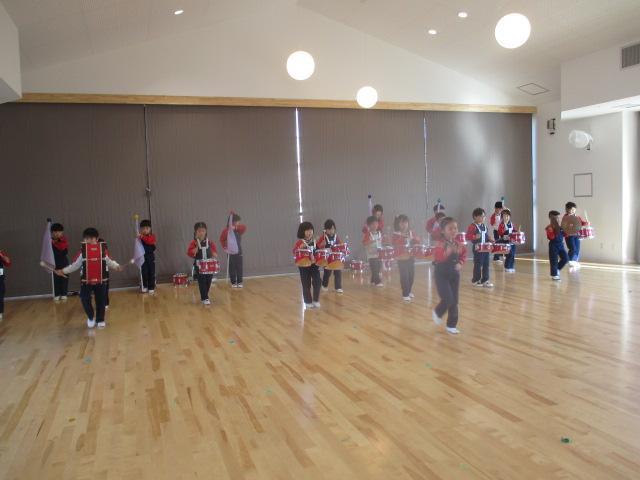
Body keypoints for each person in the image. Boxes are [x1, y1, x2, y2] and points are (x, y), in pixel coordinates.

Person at [55, 228, 123, 329]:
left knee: (101, 301)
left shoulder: (102, 250)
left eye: (91, 238)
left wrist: (117, 266)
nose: (89, 241)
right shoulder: (83, 252)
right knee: (84, 299)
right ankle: (91, 317)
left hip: (101, 281)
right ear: (84, 239)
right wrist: (63, 271)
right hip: (86, 281)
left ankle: (100, 320)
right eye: (87, 239)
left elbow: (109, 261)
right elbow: (75, 265)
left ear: (97, 239)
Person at [432, 217, 467, 334]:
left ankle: (451, 325)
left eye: (455, 228)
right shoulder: (440, 244)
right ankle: (438, 312)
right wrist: (447, 252)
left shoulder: (458, 244)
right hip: (441, 273)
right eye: (450, 228)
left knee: (455, 300)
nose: (453, 230)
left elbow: (463, 254)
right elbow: (438, 257)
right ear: (443, 231)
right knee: (448, 298)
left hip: (454, 274)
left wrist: (460, 263)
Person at [187, 222, 218, 305]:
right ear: (195, 232)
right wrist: (197, 247)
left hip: (209, 266)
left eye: (203, 231)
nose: (201, 233)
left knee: (208, 281)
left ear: (206, 232)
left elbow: (215, 254)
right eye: (199, 231)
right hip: (199, 266)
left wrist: (213, 252)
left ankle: (205, 295)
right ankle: (205, 298)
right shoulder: (194, 243)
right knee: (202, 281)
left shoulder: (210, 242)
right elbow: (190, 253)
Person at [294, 221, 321, 308]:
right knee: (306, 284)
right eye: (307, 230)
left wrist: (320, 247)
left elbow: (318, 252)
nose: (310, 232)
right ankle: (308, 301)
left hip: (314, 265)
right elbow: (294, 252)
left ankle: (316, 300)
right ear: (302, 232)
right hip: (303, 266)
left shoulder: (314, 241)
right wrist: (300, 247)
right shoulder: (299, 242)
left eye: (311, 230)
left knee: (317, 282)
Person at [392, 214, 420, 302]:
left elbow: (418, 241)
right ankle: (405, 294)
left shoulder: (411, 232)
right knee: (404, 276)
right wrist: (403, 237)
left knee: (411, 276)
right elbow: (395, 243)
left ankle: (409, 290)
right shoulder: (396, 234)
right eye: (401, 223)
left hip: (411, 257)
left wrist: (413, 238)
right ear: (398, 224)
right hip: (401, 258)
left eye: (405, 222)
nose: (404, 225)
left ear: (408, 223)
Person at [467, 208, 493, 287]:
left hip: (485, 248)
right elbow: (468, 237)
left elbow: (486, 236)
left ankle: (485, 280)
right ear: (475, 216)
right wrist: (475, 236)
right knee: (478, 265)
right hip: (477, 249)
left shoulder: (484, 226)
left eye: (484, 216)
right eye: (481, 216)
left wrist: (490, 239)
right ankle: (475, 280)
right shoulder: (472, 226)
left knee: (486, 264)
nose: (483, 218)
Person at [219, 213, 247, 288]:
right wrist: (225, 247)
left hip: (238, 251)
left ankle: (240, 282)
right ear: (233, 221)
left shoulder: (239, 229)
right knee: (232, 267)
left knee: (239, 267)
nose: (239, 223)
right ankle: (233, 282)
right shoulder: (226, 230)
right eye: (238, 221)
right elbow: (222, 239)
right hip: (230, 252)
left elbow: (244, 228)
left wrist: (235, 228)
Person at [317, 219, 343, 293]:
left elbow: (340, 245)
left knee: (338, 272)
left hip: (335, 257)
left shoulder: (336, 237)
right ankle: (324, 285)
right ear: (325, 230)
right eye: (329, 229)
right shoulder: (323, 237)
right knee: (327, 273)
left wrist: (341, 246)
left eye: (332, 229)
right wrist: (322, 244)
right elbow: (317, 247)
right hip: (327, 258)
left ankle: (338, 287)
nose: (331, 231)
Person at [561, 201, 589, 268]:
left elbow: (581, 223)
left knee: (577, 249)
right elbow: (564, 226)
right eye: (571, 209)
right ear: (567, 209)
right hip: (569, 236)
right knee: (572, 248)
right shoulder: (565, 217)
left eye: (574, 209)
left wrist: (586, 223)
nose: (573, 211)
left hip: (577, 235)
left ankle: (575, 261)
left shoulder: (577, 217)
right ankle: (570, 261)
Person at [547, 210, 569, 281]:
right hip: (553, 245)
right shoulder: (549, 227)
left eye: (558, 218)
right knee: (554, 260)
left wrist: (568, 230)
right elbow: (551, 237)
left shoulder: (560, 227)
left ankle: (557, 269)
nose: (557, 219)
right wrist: (552, 230)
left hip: (561, 245)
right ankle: (554, 275)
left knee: (566, 258)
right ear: (551, 218)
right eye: (555, 218)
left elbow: (565, 235)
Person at [363, 215, 384, 287]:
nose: (375, 225)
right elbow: (364, 243)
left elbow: (381, 242)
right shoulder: (368, 234)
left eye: (376, 223)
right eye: (373, 224)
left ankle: (372, 280)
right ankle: (378, 282)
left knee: (378, 268)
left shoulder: (379, 233)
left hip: (379, 254)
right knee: (374, 268)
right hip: (371, 255)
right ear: (369, 225)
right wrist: (372, 241)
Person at [51, 223, 69, 300]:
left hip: (63, 262)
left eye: (59, 231)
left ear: (62, 232)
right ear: (52, 232)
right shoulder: (49, 241)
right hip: (53, 263)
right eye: (55, 232)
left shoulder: (64, 240)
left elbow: (65, 252)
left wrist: (56, 243)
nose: (58, 233)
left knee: (64, 278)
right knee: (55, 279)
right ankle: (57, 294)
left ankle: (64, 293)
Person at [138, 219, 157, 294]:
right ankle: (145, 286)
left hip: (150, 258)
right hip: (142, 258)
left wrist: (142, 237)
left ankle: (151, 287)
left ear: (150, 229)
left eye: (147, 228)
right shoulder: (139, 238)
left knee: (151, 272)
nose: (145, 230)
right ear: (140, 229)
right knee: (144, 272)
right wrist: (139, 238)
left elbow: (149, 241)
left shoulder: (152, 236)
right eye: (143, 228)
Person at [496, 209, 517, 273]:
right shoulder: (501, 225)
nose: (506, 217)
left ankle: (511, 266)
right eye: (505, 216)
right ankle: (507, 267)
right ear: (502, 217)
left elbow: (514, 231)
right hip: (505, 242)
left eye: (508, 216)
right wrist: (504, 232)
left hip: (512, 242)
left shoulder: (511, 224)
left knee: (513, 254)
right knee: (509, 254)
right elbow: (500, 233)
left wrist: (517, 232)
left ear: (510, 216)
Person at [0, 249, 11, 321]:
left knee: (0, 295)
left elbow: (8, 263)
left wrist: (5, 259)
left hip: (0, 278)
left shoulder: (1, 253)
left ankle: (0, 313)